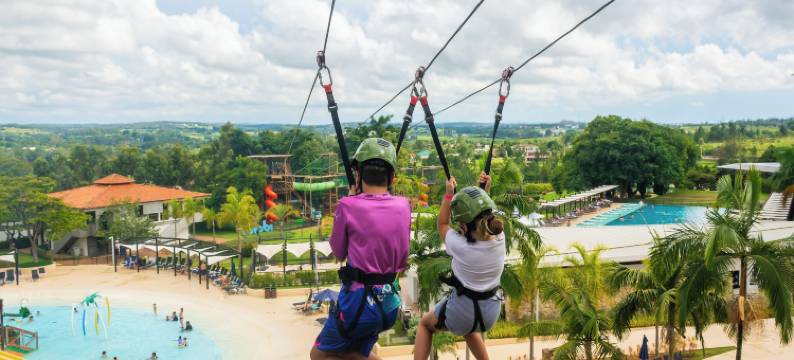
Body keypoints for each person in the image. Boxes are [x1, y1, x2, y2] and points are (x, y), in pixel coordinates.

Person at [311, 138, 411, 360]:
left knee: (318, 355)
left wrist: (351, 199)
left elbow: (339, 252)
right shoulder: (403, 205)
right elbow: (403, 258)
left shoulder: (348, 205)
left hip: (358, 305)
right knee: (355, 352)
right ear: (392, 177)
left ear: (358, 174)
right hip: (389, 305)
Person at [413, 173, 505, 360]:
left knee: (425, 325)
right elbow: (484, 218)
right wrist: (484, 192)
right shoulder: (500, 239)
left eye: (461, 224)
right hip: (490, 314)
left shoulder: (460, 245)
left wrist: (449, 194)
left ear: (466, 226)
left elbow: (442, 223)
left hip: (461, 313)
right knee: (469, 330)